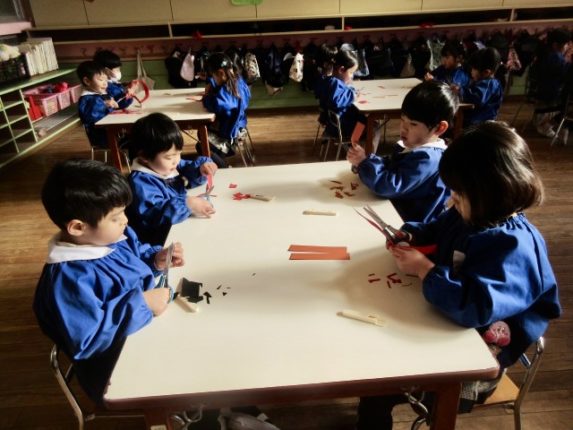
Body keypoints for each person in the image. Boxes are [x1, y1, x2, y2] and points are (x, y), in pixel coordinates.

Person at [356, 121, 561, 430]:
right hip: (445, 325)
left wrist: (425, 269)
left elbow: (474, 307)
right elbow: (437, 229)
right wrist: (411, 235)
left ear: (492, 191)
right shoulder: (476, 209)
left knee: (379, 382)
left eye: (459, 194)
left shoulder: (515, 248)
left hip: (474, 364)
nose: (452, 199)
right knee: (376, 372)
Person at [33, 159, 184, 402]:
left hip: (146, 332)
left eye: (123, 211)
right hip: (116, 368)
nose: (125, 220)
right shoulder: (69, 281)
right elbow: (88, 339)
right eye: (115, 217)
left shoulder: (108, 236)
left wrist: (155, 259)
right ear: (78, 227)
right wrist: (142, 304)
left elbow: (133, 259)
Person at [347, 80, 458, 223]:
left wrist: (365, 163)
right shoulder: (416, 147)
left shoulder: (428, 159)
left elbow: (389, 186)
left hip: (410, 225)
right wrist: (363, 163)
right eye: (402, 120)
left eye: (413, 124)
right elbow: (389, 165)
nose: (403, 128)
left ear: (439, 128)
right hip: (394, 212)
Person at [127, 112, 218, 246]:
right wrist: (187, 204)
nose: (176, 160)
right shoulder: (140, 183)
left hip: (179, 229)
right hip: (159, 243)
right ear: (144, 157)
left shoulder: (164, 165)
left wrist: (201, 168)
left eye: (179, 153)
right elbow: (154, 216)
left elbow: (188, 168)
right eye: (169, 157)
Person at [200, 52, 251, 168]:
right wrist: (211, 84)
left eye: (213, 76)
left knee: (202, 142)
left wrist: (206, 97)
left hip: (231, 135)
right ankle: (218, 157)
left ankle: (224, 167)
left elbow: (216, 105)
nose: (213, 78)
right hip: (238, 126)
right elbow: (220, 89)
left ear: (221, 73)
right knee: (204, 132)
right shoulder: (238, 81)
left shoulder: (228, 89)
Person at [76, 60, 133, 149]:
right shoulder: (86, 99)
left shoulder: (103, 93)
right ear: (87, 81)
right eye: (101, 79)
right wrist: (104, 104)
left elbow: (118, 104)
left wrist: (127, 97)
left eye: (106, 80)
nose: (105, 83)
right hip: (103, 137)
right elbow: (90, 116)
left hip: (114, 131)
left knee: (140, 133)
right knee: (138, 138)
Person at [314, 49, 366, 140]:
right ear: (341, 70)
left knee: (365, 119)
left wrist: (350, 89)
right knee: (373, 126)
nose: (352, 76)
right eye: (351, 72)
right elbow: (336, 101)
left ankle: (355, 142)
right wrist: (353, 95)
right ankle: (355, 143)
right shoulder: (335, 83)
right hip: (343, 127)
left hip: (333, 125)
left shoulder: (328, 81)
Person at [531, 28, 572, 138]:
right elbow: (565, 74)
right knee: (569, 102)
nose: (567, 47)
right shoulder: (555, 57)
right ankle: (548, 125)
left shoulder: (548, 53)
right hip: (551, 92)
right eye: (566, 44)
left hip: (544, 90)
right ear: (555, 45)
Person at [456, 47, 504, 126]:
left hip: (481, 125)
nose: (471, 71)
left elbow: (478, 98)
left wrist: (460, 91)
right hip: (473, 122)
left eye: (474, 69)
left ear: (486, 72)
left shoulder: (490, 84)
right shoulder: (480, 82)